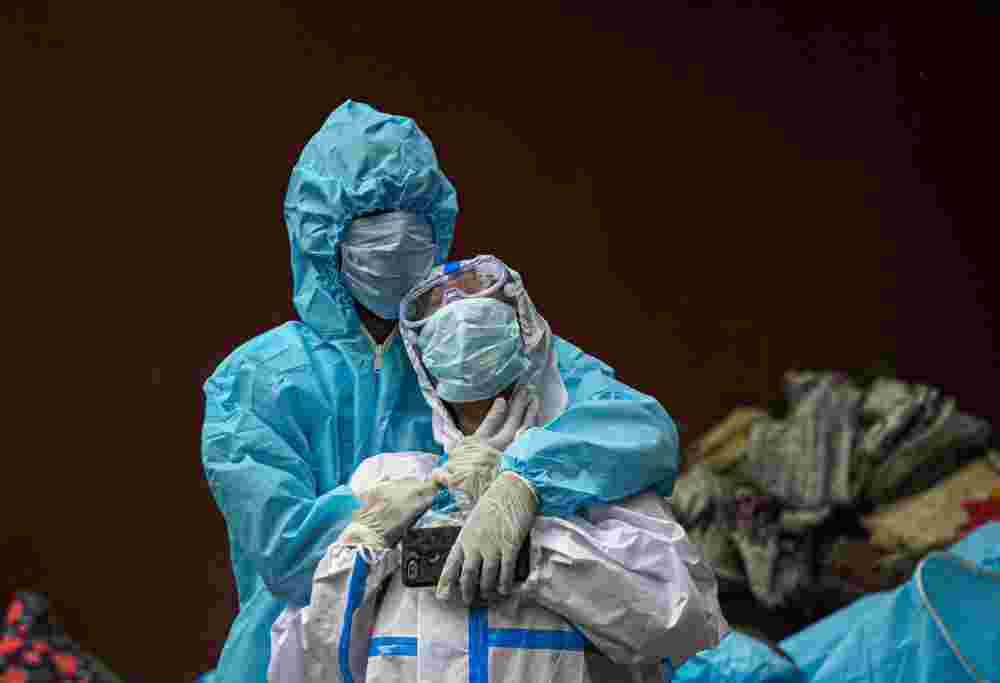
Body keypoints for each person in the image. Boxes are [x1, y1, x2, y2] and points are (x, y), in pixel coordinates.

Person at [200, 103, 680, 683]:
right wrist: (397, 521)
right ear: (322, 235)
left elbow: (638, 430)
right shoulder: (256, 380)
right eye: (374, 220)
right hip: (309, 660)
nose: (398, 239)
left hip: (494, 653)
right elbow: (286, 551)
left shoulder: (475, 339)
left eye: (414, 219)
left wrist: (524, 482)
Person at [266, 256, 728, 682]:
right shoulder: (388, 479)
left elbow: (683, 628)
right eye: (436, 303)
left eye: (475, 291)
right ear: (422, 363)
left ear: (525, 330)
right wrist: (358, 554)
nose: (457, 306)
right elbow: (306, 666)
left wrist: (532, 545)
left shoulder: (597, 481)